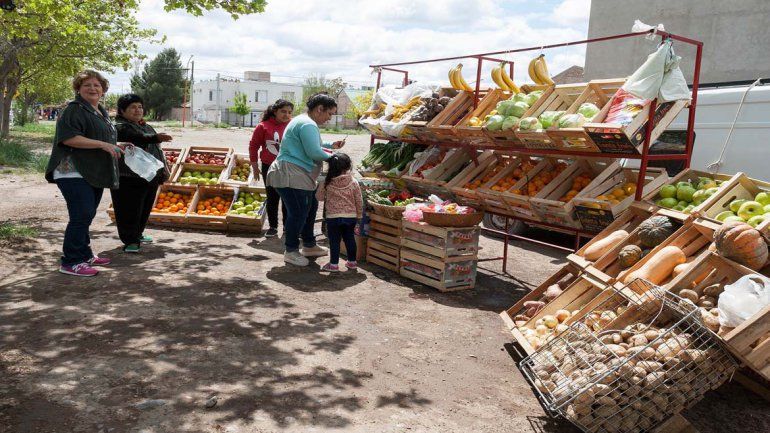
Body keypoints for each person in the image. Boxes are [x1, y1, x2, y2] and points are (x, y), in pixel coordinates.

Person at [44, 70, 123, 277]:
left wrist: (118, 145)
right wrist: (103, 144)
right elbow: (69, 138)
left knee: (86, 215)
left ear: (103, 90)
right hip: (72, 171)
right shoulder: (73, 110)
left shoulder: (100, 112)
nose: (93, 88)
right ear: (78, 88)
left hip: (92, 172)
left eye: (97, 85)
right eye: (87, 85)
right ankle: (71, 261)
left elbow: (101, 138)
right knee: (81, 215)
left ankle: (84, 254)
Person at [266, 93, 345, 267]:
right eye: (329, 114)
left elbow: (313, 144)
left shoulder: (304, 121)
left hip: (297, 173)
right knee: (299, 212)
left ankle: (309, 245)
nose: (329, 118)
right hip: (291, 174)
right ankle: (291, 251)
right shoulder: (307, 124)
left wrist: (331, 146)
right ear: (319, 109)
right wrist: (334, 158)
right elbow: (313, 152)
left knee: (311, 208)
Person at [112, 93, 173, 253]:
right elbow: (136, 138)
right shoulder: (120, 127)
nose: (137, 110)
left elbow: (153, 145)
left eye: (139, 107)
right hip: (128, 177)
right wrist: (155, 137)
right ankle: (130, 240)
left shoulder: (144, 125)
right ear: (122, 111)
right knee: (128, 208)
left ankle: (138, 234)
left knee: (144, 207)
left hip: (148, 175)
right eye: (132, 107)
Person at [248, 99, 292, 238]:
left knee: (288, 198)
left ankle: (287, 227)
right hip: (269, 167)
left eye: (290, 112)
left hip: (289, 167)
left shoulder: (292, 126)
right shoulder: (263, 126)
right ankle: (273, 227)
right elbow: (253, 146)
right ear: (275, 111)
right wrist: (255, 168)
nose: (287, 115)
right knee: (272, 197)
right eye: (283, 111)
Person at [315, 153, 362, 272]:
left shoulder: (328, 182)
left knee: (334, 241)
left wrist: (320, 185)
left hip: (333, 217)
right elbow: (359, 200)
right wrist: (359, 215)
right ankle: (352, 262)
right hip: (350, 216)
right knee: (349, 239)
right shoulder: (353, 181)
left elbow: (319, 198)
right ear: (348, 167)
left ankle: (334, 265)